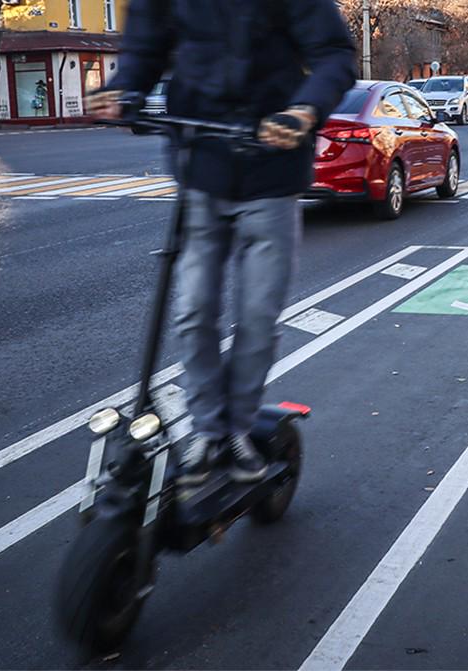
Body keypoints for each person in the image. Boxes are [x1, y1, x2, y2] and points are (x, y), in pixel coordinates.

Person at [87, 0, 356, 483]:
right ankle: (208, 431)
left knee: (257, 316)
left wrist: (304, 109)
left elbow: (334, 55)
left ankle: (237, 428)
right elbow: (145, 47)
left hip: (272, 169)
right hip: (202, 168)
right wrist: (124, 87)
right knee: (193, 310)